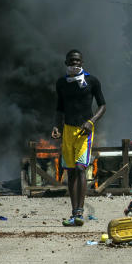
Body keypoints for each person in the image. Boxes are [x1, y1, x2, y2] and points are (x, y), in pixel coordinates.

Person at [51, 49, 106, 227]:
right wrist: (57, 127)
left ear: (82, 62)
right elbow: (59, 107)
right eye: (72, 61)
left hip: (85, 133)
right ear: (66, 62)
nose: (75, 63)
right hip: (67, 130)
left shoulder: (92, 81)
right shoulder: (61, 83)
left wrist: (91, 121)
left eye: (78, 61)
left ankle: (80, 213)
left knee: (81, 168)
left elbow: (103, 105)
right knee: (71, 171)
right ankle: (74, 213)